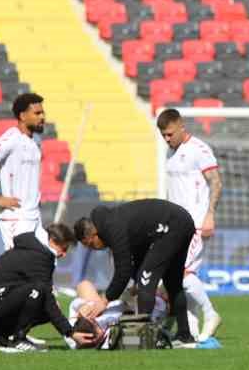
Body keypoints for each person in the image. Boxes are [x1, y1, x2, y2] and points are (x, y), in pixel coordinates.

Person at [73, 198, 198, 349]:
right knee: (173, 282)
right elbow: (138, 255)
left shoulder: (111, 228)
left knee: (145, 280)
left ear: (93, 234)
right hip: (181, 222)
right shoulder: (112, 223)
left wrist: (105, 300)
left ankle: (143, 340)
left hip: (172, 226)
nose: (95, 249)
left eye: (91, 244)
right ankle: (185, 336)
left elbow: (123, 270)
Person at [156, 108, 224, 347]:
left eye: (170, 134)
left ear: (181, 126)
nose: (167, 139)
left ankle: (211, 313)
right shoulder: (169, 152)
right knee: (182, 276)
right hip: (174, 225)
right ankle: (191, 332)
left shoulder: (200, 149)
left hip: (195, 223)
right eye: (163, 135)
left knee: (183, 275)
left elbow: (216, 182)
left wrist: (210, 215)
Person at [0, 222, 89, 354]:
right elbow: (45, 294)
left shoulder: (37, 249)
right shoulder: (40, 255)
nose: (64, 254)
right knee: (40, 293)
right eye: (63, 249)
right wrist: (71, 333)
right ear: (52, 241)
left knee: (46, 304)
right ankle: (16, 339)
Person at [0, 92, 48, 249]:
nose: (42, 117)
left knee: (46, 263)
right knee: (21, 268)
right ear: (22, 115)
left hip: (34, 216)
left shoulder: (36, 140)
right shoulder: (12, 139)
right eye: (37, 113)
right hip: (17, 218)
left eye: (43, 112)